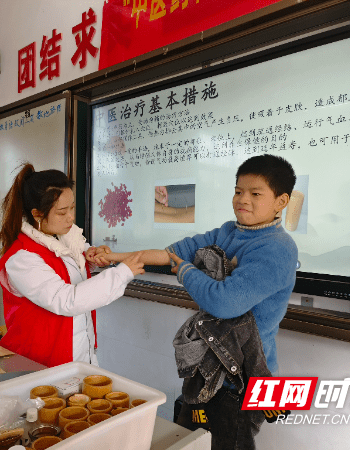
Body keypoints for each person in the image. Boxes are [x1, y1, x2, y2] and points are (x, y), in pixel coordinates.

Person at [91, 154, 298, 449]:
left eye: (255, 194)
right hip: (208, 372)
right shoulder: (229, 231)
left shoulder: (277, 248)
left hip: (243, 380)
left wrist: (186, 272)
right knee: (189, 442)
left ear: (281, 201)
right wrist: (113, 257)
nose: (243, 200)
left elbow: (225, 302)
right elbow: (171, 253)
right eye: (238, 191)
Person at [0, 163, 144, 368]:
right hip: (38, 364)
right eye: (62, 212)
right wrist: (122, 274)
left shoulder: (63, 240)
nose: (71, 217)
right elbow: (66, 300)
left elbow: (68, 267)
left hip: (75, 356)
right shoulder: (22, 258)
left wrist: (88, 257)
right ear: (37, 214)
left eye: (72, 207)